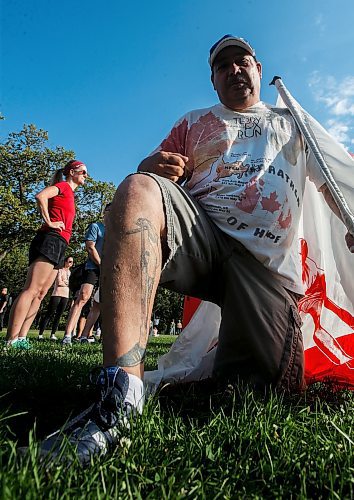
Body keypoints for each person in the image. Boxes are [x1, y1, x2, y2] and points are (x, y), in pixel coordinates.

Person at [39, 35, 354, 463]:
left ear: (258, 69)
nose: (234, 70)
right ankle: (120, 394)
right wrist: (148, 169)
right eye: (223, 67)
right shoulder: (194, 121)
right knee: (136, 188)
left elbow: (334, 188)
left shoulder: (293, 124)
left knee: (257, 392)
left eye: (242, 62)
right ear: (213, 80)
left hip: (265, 271)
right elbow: (147, 184)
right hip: (200, 239)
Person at [5, 160, 88, 348]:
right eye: (83, 172)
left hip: (60, 243)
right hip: (49, 238)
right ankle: (10, 339)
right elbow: (41, 196)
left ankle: (22, 338)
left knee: (41, 294)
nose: (86, 176)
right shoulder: (63, 186)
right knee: (32, 289)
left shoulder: (71, 194)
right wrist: (50, 222)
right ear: (72, 172)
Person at [62, 204, 111, 345]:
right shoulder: (96, 226)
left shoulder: (116, 231)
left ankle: (84, 335)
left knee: (98, 304)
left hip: (108, 271)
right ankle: (67, 335)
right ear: (105, 212)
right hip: (93, 267)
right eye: (110, 211)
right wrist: (101, 264)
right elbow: (90, 247)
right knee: (83, 297)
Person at [37, 256, 74, 340]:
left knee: (59, 315)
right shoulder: (59, 270)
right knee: (50, 313)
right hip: (57, 293)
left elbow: (70, 283)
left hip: (66, 295)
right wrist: (66, 283)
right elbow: (59, 282)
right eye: (69, 261)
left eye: (71, 262)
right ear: (65, 261)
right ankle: (40, 333)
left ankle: (53, 334)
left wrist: (66, 283)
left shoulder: (70, 272)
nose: (70, 263)